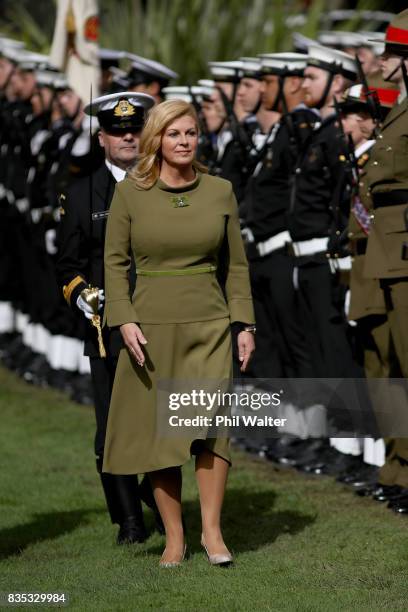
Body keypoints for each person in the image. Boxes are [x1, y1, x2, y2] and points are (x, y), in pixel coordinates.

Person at [103, 99, 255, 566]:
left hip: (209, 325)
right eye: (174, 134)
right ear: (157, 141)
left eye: (190, 133)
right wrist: (124, 319)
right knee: (162, 435)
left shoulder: (220, 191)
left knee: (210, 429)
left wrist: (244, 323)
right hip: (150, 328)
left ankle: (213, 533)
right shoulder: (130, 192)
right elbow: (114, 262)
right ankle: (174, 536)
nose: (184, 141)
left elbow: (236, 265)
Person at [56, 91, 164, 545]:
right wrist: (87, 299)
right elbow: (67, 264)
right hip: (108, 330)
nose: (127, 137)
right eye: (118, 131)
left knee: (166, 422)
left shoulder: (166, 185)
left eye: (135, 129)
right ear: (100, 138)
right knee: (112, 430)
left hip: (162, 322)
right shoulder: (81, 195)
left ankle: (161, 502)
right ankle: (130, 522)